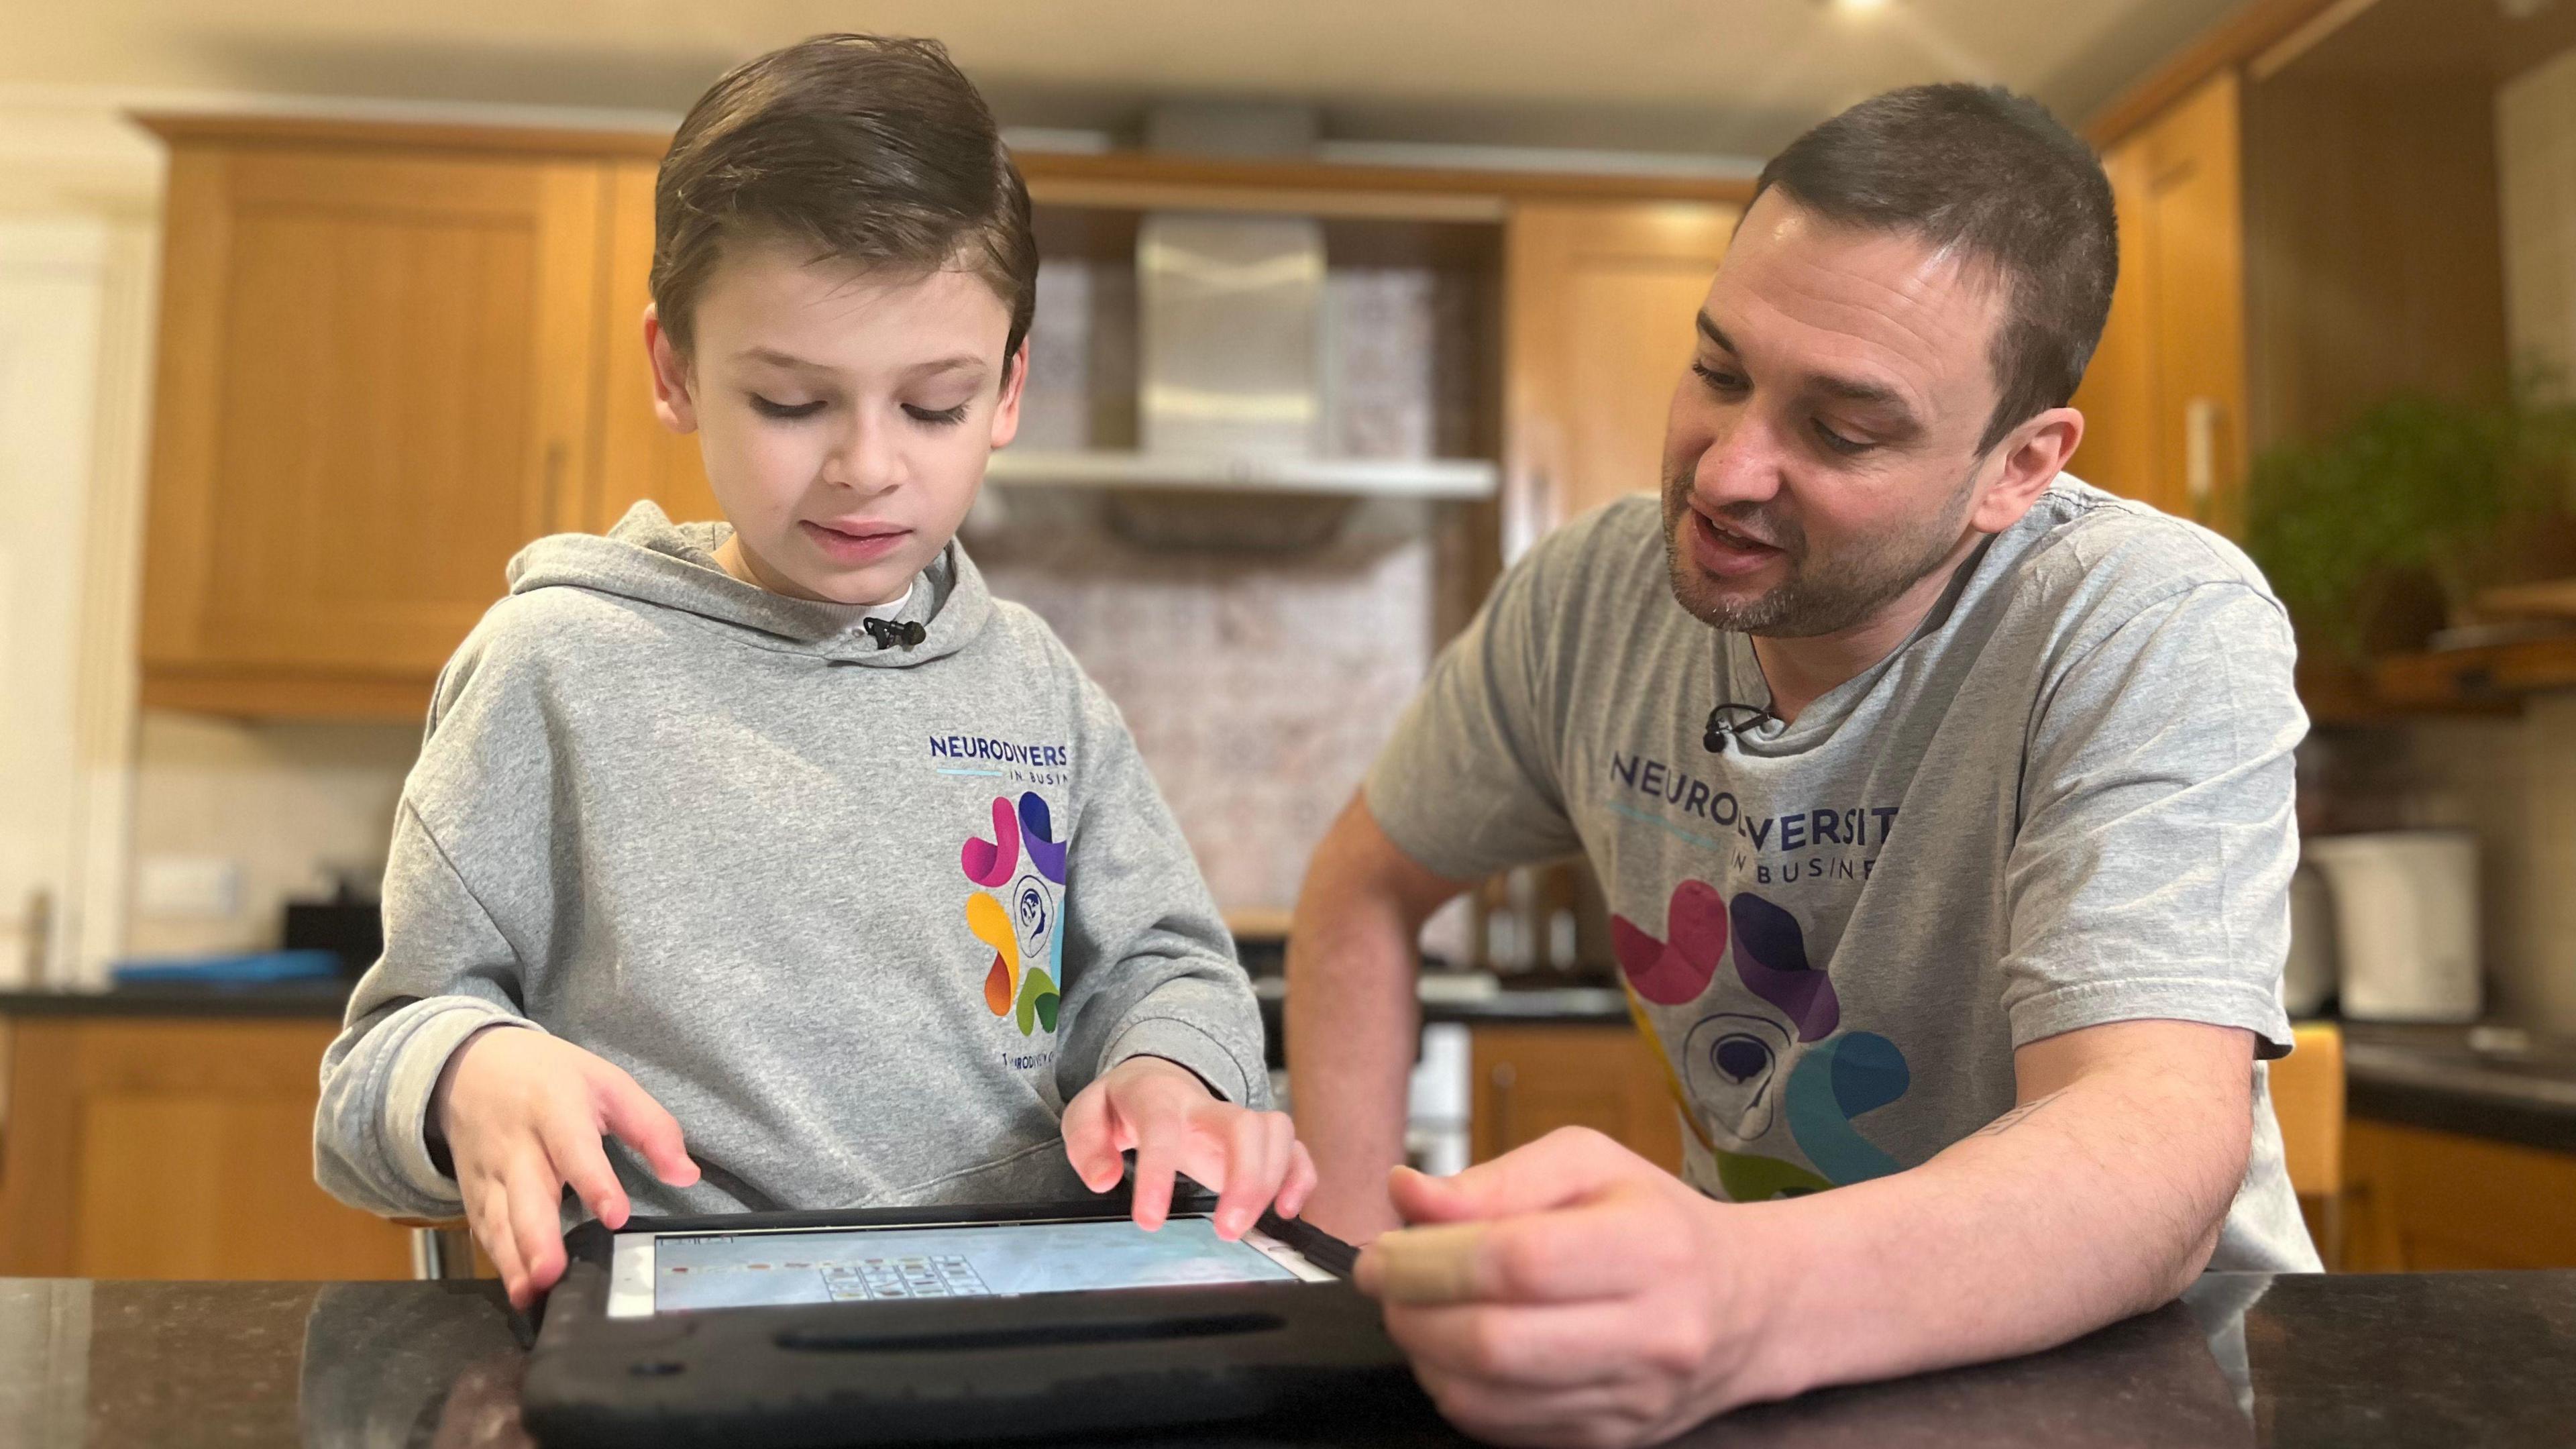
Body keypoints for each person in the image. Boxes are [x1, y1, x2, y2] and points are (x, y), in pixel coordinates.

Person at [1287, 83, 2316, 1446]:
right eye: (1719, 370)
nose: (1727, 470)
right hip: (1775, 1380)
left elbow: (2149, 1143)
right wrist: (1348, 1292)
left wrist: (1733, 1291)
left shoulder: (2151, 624)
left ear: (2018, 466)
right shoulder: (1589, 598)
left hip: (2143, 1384)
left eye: (1840, 430)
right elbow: (1365, 885)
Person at [315, 34, 1311, 1311]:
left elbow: (1166, 972)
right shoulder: (554, 668)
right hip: (674, 1342)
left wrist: (1171, 1079)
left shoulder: (1038, 689)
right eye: (792, 403)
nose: (867, 466)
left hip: (1017, 1324)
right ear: (676, 371)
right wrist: (470, 1071)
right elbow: (371, 1073)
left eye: (935, 406)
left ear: (1009, 390)